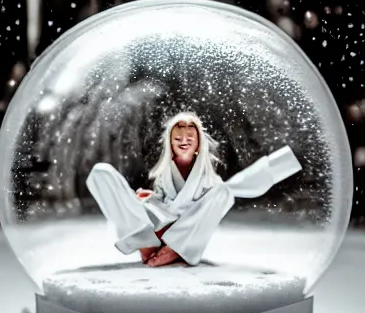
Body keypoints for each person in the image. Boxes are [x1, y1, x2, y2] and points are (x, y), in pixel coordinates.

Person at [86, 110, 300, 268]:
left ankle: (175, 249)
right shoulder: (164, 172)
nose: (184, 142)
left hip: (186, 231)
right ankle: (143, 241)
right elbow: (165, 200)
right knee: (101, 172)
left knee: (223, 192)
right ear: (170, 143)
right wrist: (150, 198)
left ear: (199, 144)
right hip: (156, 225)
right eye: (178, 139)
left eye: (190, 139)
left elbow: (206, 206)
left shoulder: (207, 178)